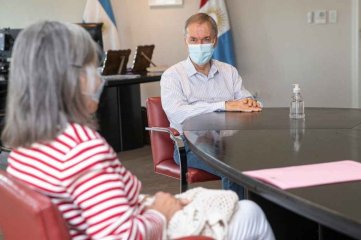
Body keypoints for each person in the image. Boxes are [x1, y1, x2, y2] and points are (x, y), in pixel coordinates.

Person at [1, 21, 274, 239]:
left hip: (135, 212)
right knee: (249, 212)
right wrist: (161, 212)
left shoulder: (24, 148)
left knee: (220, 199)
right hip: (150, 224)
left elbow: (98, 208)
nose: (98, 77)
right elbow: (121, 236)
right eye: (91, 67)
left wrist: (148, 203)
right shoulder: (83, 149)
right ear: (69, 78)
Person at [161, 13, 261, 199]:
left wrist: (249, 102)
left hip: (230, 141)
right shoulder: (172, 75)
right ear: (186, 41)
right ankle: (236, 222)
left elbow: (243, 98)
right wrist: (224, 105)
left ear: (215, 41)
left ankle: (261, 217)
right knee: (233, 167)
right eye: (193, 39)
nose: (199, 45)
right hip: (191, 145)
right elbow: (178, 113)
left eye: (206, 39)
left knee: (263, 158)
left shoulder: (228, 71)